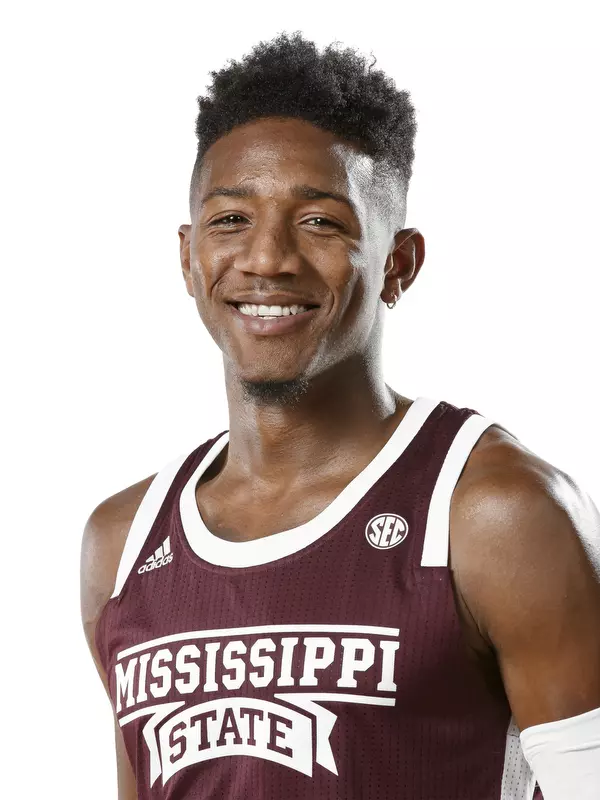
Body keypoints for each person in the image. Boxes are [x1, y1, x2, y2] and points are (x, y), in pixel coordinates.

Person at [80, 31, 600, 800]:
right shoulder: (122, 542)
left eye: (320, 222)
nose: (267, 259)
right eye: (230, 221)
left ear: (400, 262)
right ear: (187, 259)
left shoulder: (493, 513)